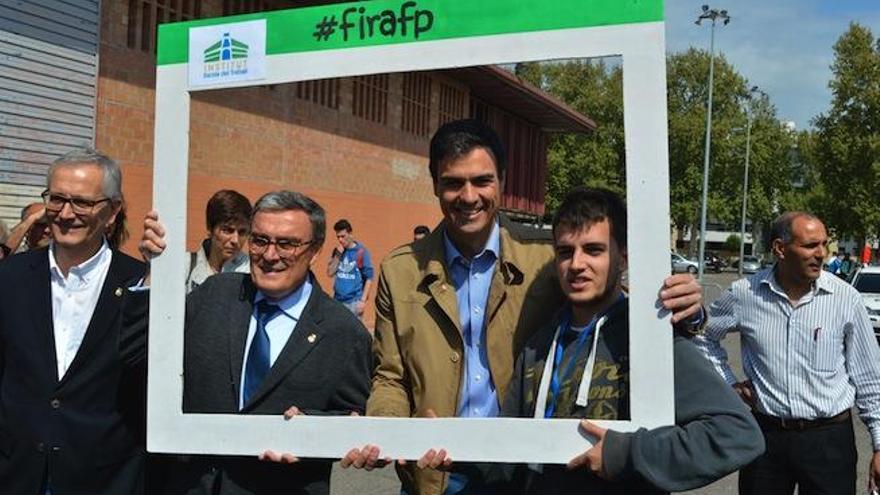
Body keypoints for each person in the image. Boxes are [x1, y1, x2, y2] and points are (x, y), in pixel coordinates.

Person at [362, 119, 704, 494]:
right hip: (433, 470)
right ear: (434, 185)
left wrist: (684, 306)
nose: (469, 195)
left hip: (521, 471)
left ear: (503, 181)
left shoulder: (544, 258)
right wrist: (392, 429)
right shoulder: (399, 270)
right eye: (453, 182)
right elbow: (390, 376)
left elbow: (614, 302)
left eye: (482, 180)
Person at [138, 190, 373, 495]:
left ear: (315, 251)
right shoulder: (214, 295)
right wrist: (154, 272)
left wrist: (311, 429)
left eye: (287, 244)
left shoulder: (344, 333)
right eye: (260, 241)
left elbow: (355, 418)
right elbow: (139, 354)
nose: (270, 255)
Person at [695, 211, 880, 495]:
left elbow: (870, 379)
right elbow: (704, 337)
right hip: (767, 439)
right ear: (780, 249)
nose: (821, 254)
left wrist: (879, 445)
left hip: (829, 443)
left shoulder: (845, 299)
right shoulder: (745, 294)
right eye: (810, 245)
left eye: (824, 244)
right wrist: (729, 383)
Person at [0, 148, 148, 494]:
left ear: (112, 212)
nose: (66, 214)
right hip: (18, 473)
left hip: (103, 477)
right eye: (56, 199)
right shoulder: (11, 278)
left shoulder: (139, 284)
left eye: (81, 202)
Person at [186, 189, 252, 293]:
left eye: (242, 232)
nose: (235, 240)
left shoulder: (252, 273)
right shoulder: (185, 266)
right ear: (210, 229)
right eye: (227, 230)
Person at [326, 219, 374, 320]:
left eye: (343, 236)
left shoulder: (361, 252)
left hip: (354, 302)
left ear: (350, 234)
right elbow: (330, 273)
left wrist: (363, 301)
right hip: (338, 301)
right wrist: (337, 255)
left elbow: (369, 278)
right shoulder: (338, 252)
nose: (340, 240)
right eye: (338, 237)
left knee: (353, 334)